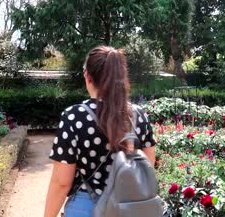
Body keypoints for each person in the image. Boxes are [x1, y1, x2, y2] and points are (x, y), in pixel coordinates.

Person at [44, 46, 156, 217]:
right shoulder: (138, 115)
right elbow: (148, 165)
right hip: (130, 208)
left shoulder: (74, 117)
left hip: (86, 206)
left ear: (87, 76)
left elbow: (61, 182)